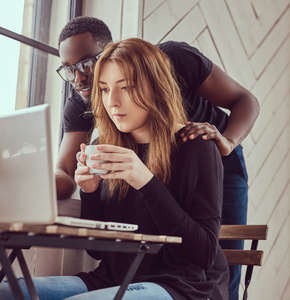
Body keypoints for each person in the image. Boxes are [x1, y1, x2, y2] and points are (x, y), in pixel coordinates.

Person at [0, 37, 228, 300]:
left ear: (157, 88)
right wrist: (89, 191)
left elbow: (203, 252)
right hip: (113, 278)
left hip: (182, 286)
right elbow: (98, 252)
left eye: (126, 87)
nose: (113, 101)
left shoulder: (196, 147)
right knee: (5, 293)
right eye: (104, 89)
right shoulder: (104, 146)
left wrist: (145, 180)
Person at [55, 17, 259, 300]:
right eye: (69, 69)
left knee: (220, 260)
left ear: (109, 50)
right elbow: (64, 172)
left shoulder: (174, 59)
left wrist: (227, 142)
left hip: (212, 151)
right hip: (144, 160)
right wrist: (85, 188)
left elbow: (245, 100)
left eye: (86, 65)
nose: (78, 78)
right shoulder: (83, 101)